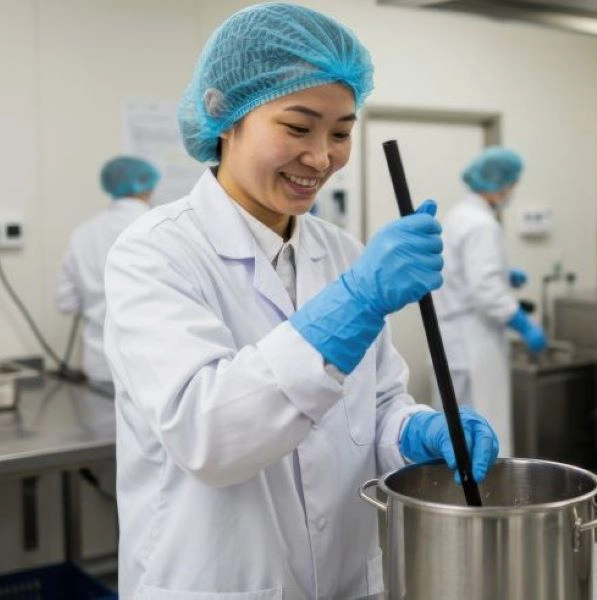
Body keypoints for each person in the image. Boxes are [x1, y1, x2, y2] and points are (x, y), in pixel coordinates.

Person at [103, 4, 499, 599]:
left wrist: (419, 430)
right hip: (219, 581)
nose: (321, 157)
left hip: (346, 580)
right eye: (297, 127)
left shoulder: (339, 250)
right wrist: (356, 303)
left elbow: (375, 406)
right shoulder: (156, 252)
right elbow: (209, 436)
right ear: (225, 116)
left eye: (341, 132)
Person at [434, 147, 547, 456]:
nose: (512, 191)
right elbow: (486, 294)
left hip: (455, 334)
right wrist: (523, 323)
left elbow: (461, 272)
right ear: (500, 184)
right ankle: (487, 501)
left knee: (456, 429)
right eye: (512, 184)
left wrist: (503, 275)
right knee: (482, 428)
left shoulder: (459, 215)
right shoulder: (481, 224)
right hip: (474, 340)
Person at [56, 156, 159, 394]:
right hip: (150, 366)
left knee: (104, 430)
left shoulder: (83, 233)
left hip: (99, 365)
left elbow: (66, 303)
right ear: (149, 185)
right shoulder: (158, 226)